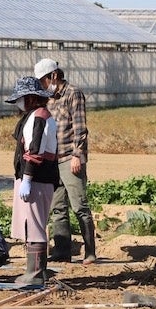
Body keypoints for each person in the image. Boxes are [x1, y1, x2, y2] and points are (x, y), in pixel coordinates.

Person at [35, 58, 97, 264]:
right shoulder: (48, 99)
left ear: (53, 76)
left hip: (70, 158)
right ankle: (62, 251)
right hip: (53, 159)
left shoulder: (73, 94)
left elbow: (80, 128)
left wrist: (77, 155)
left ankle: (90, 251)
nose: (43, 86)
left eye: (43, 81)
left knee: (79, 205)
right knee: (58, 207)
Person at [5, 76, 59, 285]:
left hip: (37, 179)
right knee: (33, 224)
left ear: (30, 98)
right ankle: (37, 271)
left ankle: (35, 273)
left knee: (34, 224)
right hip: (38, 178)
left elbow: (34, 151)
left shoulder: (39, 117)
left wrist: (27, 178)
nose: (19, 103)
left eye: (21, 98)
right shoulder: (38, 115)